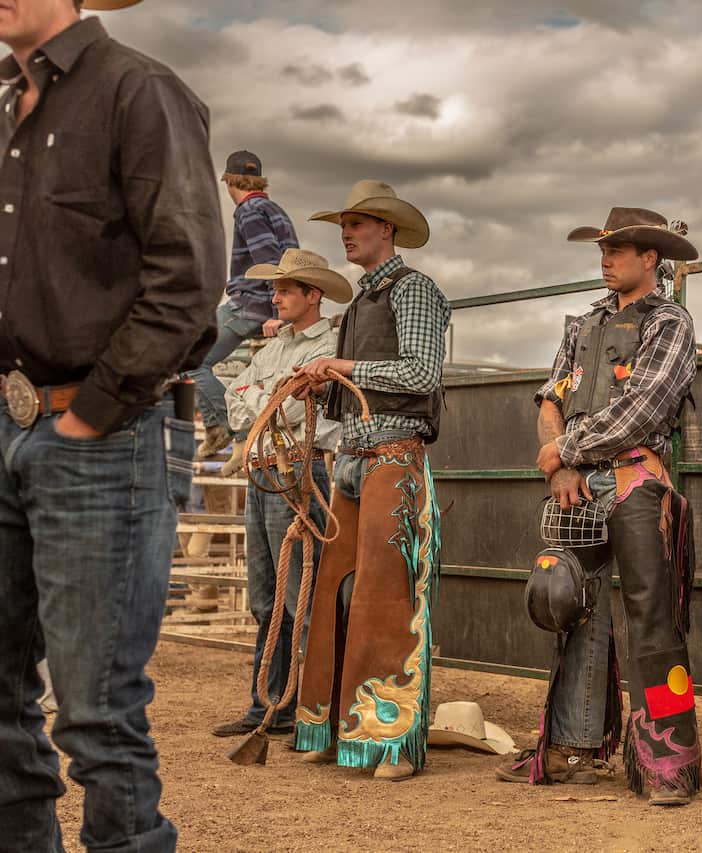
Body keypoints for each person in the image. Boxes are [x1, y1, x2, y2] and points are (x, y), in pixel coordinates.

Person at [0, 0, 224, 848]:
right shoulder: (7, 112)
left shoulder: (139, 89)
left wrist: (90, 415)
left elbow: (189, 273)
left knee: (95, 711)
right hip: (15, 422)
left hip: (99, 433)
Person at [495, 207, 702, 807]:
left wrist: (564, 449)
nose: (606, 259)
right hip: (580, 481)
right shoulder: (583, 324)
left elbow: (645, 406)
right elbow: (550, 394)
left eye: (619, 250)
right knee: (570, 605)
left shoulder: (670, 323)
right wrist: (559, 461)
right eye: (603, 250)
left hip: (636, 478)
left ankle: (667, 760)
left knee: (652, 616)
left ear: (650, 259)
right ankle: (572, 748)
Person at [291, 181, 449, 782]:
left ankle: (390, 740)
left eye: (358, 223)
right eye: (344, 224)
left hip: (393, 456)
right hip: (354, 458)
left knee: (385, 597)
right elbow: (361, 384)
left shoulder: (413, 290)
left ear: (387, 229)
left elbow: (422, 372)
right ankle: (330, 725)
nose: (347, 233)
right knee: (332, 591)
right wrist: (321, 380)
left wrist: (343, 365)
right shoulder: (361, 303)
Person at [211, 249, 350, 740]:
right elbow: (240, 401)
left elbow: (285, 410)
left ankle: (306, 708)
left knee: (300, 598)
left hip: (295, 474)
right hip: (265, 473)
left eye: (286, 290)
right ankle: (270, 704)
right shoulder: (274, 348)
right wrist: (264, 399)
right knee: (267, 598)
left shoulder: (327, 345)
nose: (276, 298)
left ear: (313, 295)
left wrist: (260, 399)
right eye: (277, 289)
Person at [191, 149, 300, 459]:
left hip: (250, 304)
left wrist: (276, 309)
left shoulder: (248, 211)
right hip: (266, 302)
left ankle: (228, 429)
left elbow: (267, 260)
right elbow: (285, 259)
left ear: (228, 181)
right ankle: (222, 430)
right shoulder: (273, 209)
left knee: (191, 356)